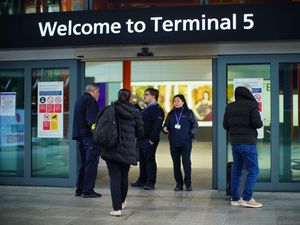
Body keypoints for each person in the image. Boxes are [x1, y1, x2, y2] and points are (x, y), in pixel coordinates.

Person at [100, 88, 144, 216]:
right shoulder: (135, 111)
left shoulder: (110, 109)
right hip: (128, 148)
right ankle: (123, 201)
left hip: (111, 147)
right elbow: (141, 133)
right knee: (124, 176)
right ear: (129, 98)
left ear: (118, 96)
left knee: (114, 178)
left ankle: (117, 209)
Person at [223, 86, 263, 208]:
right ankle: (247, 198)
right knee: (253, 169)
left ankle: (235, 198)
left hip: (235, 143)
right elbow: (257, 123)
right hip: (248, 142)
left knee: (237, 170)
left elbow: (225, 125)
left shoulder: (230, 106)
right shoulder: (252, 105)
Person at [162, 94, 198, 191]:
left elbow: (195, 126)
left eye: (178, 100)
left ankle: (188, 183)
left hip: (186, 143)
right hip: (173, 143)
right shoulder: (171, 114)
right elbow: (166, 126)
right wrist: (164, 129)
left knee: (186, 163)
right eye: (174, 101)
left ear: (183, 102)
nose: (176, 102)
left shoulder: (189, 112)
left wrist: (189, 136)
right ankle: (179, 184)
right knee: (176, 164)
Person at [131, 88, 165, 190]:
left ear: (153, 96)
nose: (144, 96)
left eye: (146, 94)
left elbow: (157, 125)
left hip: (149, 140)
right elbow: (144, 115)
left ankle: (150, 182)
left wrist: (152, 140)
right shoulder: (148, 108)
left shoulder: (157, 109)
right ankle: (142, 180)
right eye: (144, 94)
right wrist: (136, 106)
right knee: (142, 160)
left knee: (149, 161)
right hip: (142, 139)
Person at [72, 84, 102, 198]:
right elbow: (92, 121)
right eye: (98, 92)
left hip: (81, 137)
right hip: (89, 137)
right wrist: (97, 134)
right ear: (93, 91)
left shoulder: (80, 99)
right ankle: (88, 190)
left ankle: (79, 189)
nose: (98, 95)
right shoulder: (90, 101)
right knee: (91, 163)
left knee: (84, 163)